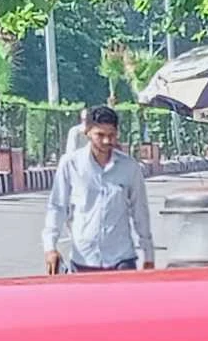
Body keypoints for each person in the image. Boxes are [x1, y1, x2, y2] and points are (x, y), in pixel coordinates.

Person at [45, 104, 155, 273]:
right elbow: (58, 207)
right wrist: (50, 247)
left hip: (121, 259)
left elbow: (140, 211)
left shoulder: (129, 167)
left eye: (111, 135)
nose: (106, 141)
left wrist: (148, 256)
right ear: (88, 132)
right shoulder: (71, 164)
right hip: (84, 260)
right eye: (100, 135)